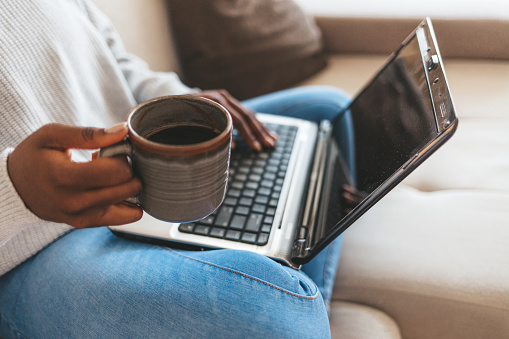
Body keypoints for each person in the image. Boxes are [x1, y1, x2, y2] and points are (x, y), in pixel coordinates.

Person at [0, 1, 352, 337]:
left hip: (142, 166)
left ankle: (292, 277)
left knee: (329, 111)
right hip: (37, 244)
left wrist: (183, 101)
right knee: (274, 313)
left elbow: (116, 61)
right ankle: (299, 293)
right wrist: (16, 189)